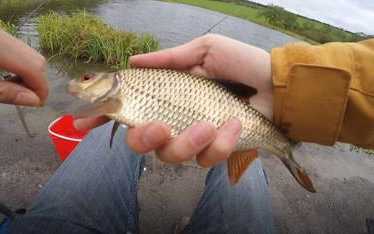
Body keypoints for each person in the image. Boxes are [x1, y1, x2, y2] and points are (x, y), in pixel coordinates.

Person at [0, 27, 373, 233]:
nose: (79, 85)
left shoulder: (125, 84)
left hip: (231, 114)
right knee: (111, 132)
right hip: (227, 117)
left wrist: (274, 88)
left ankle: (274, 151)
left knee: (106, 139)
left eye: (85, 80)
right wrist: (281, 89)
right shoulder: (119, 96)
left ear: (109, 83)